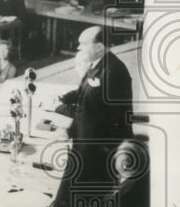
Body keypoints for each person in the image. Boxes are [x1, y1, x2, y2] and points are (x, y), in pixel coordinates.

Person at [55, 25, 134, 188]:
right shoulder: (98, 65)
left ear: (99, 47)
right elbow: (85, 101)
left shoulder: (113, 72)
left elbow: (105, 118)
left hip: (96, 155)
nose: (78, 47)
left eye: (83, 43)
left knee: (80, 203)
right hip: (85, 147)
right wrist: (69, 131)